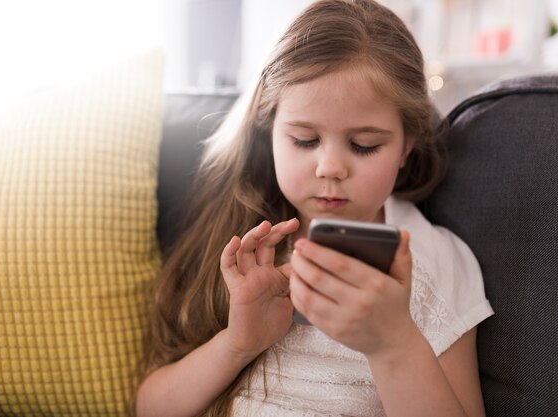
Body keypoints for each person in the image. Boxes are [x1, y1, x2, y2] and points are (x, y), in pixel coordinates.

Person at [135, 0, 494, 416]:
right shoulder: (241, 237)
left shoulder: (437, 261)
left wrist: (394, 344)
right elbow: (149, 408)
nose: (330, 168)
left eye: (364, 145)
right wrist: (237, 344)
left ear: (406, 145)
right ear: (269, 130)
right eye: (305, 140)